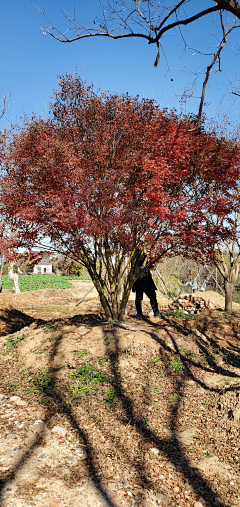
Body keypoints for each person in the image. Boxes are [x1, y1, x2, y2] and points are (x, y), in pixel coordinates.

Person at [132, 253, 162, 320]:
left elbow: (150, 266)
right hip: (139, 278)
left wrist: (150, 255)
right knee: (139, 298)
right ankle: (139, 314)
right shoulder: (136, 254)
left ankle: (156, 313)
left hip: (147, 278)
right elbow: (139, 262)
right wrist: (148, 256)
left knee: (153, 296)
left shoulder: (145, 254)